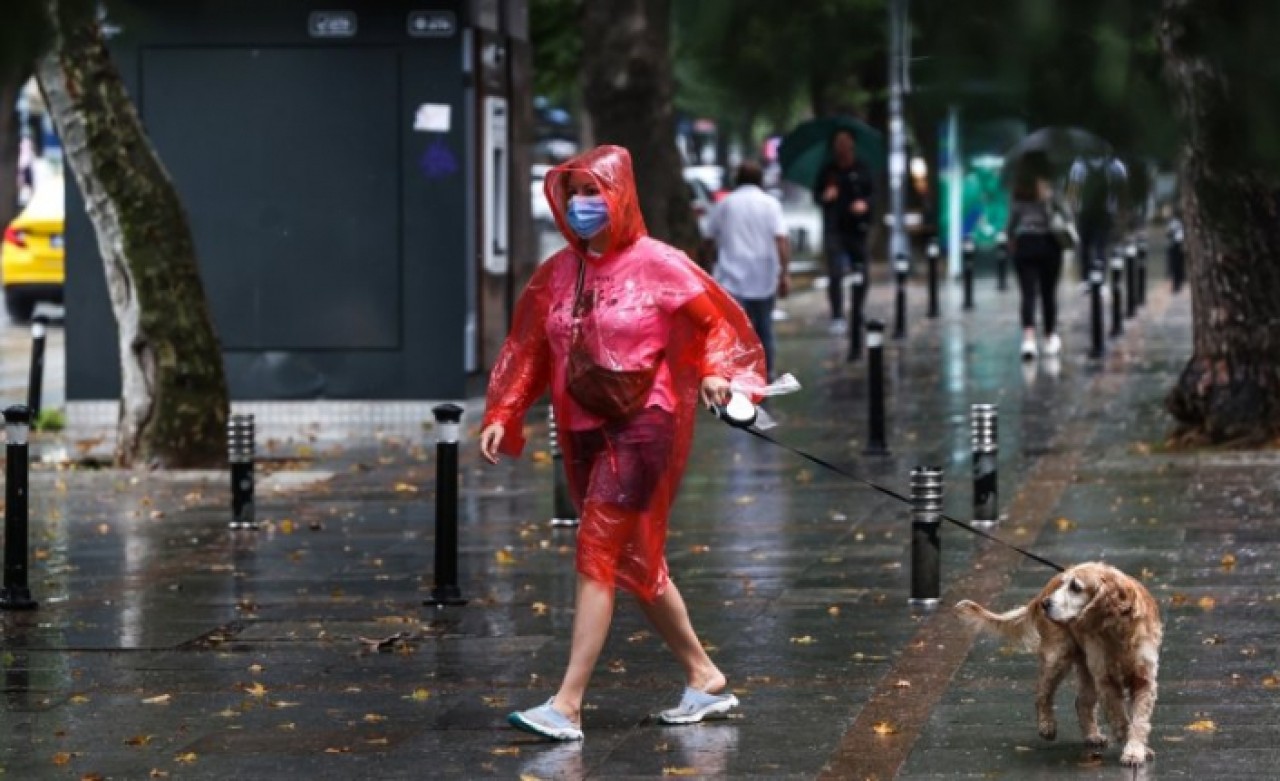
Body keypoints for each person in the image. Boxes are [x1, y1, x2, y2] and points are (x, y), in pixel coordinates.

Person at [479, 145, 767, 741]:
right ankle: (704, 675)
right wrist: (504, 410)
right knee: (635, 561)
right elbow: (530, 347)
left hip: (642, 424)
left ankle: (567, 704)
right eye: (574, 193)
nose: (582, 204)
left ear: (620, 195)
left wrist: (715, 372)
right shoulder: (559, 272)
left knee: (596, 551)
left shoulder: (659, 264)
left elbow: (715, 323)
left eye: (594, 191)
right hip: (582, 428)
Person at [704, 160, 791, 378]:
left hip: (730, 276)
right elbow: (781, 240)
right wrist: (784, 273)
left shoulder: (725, 205)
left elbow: (708, 239)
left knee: (734, 330)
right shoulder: (771, 204)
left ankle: (736, 374)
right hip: (764, 276)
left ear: (737, 179)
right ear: (760, 179)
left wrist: (707, 269)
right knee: (764, 328)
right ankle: (766, 373)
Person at [813, 128, 874, 335]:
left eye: (846, 142)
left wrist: (864, 204)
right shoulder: (828, 171)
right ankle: (837, 314)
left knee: (862, 272)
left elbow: (873, 194)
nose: (843, 147)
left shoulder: (862, 169)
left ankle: (858, 310)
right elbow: (817, 196)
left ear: (852, 145)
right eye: (839, 143)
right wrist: (826, 196)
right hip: (834, 229)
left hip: (857, 229)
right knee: (835, 272)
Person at [1006, 159, 1067, 360]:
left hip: (1025, 243)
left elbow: (1012, 221)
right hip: (1049, 243)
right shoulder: (1052, 190)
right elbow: (1066, 214)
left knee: (1028, 294)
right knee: (1049, 293)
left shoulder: (1019, 191)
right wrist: (1049, 200)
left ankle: (1029, 340)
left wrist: (1010, 237)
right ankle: (1049, 338)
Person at [1067, 154, 1128, 281]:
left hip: (1084, 212)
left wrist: (1073, 212)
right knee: (1101, 245)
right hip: (1106, 212)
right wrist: (1122, 212)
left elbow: (1073, 192)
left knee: (1084, 246)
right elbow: (1122, 192)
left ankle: (1085, 278)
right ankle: (1100, 277)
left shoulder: (1079, 165)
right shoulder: (1115, 165)